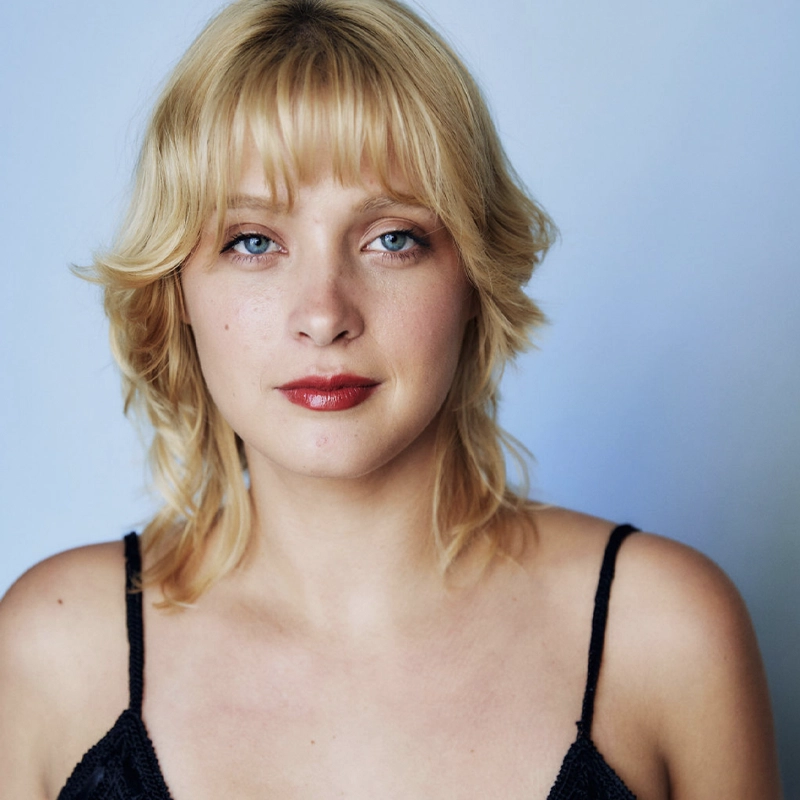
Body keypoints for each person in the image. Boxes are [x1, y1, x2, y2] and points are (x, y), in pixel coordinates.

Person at [0, 0, 781, 797]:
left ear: (473, 275)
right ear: (177, 291)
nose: (324, 315)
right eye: (254, 242)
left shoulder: (664, 632)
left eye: (392, 239)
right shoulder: (53, 652)